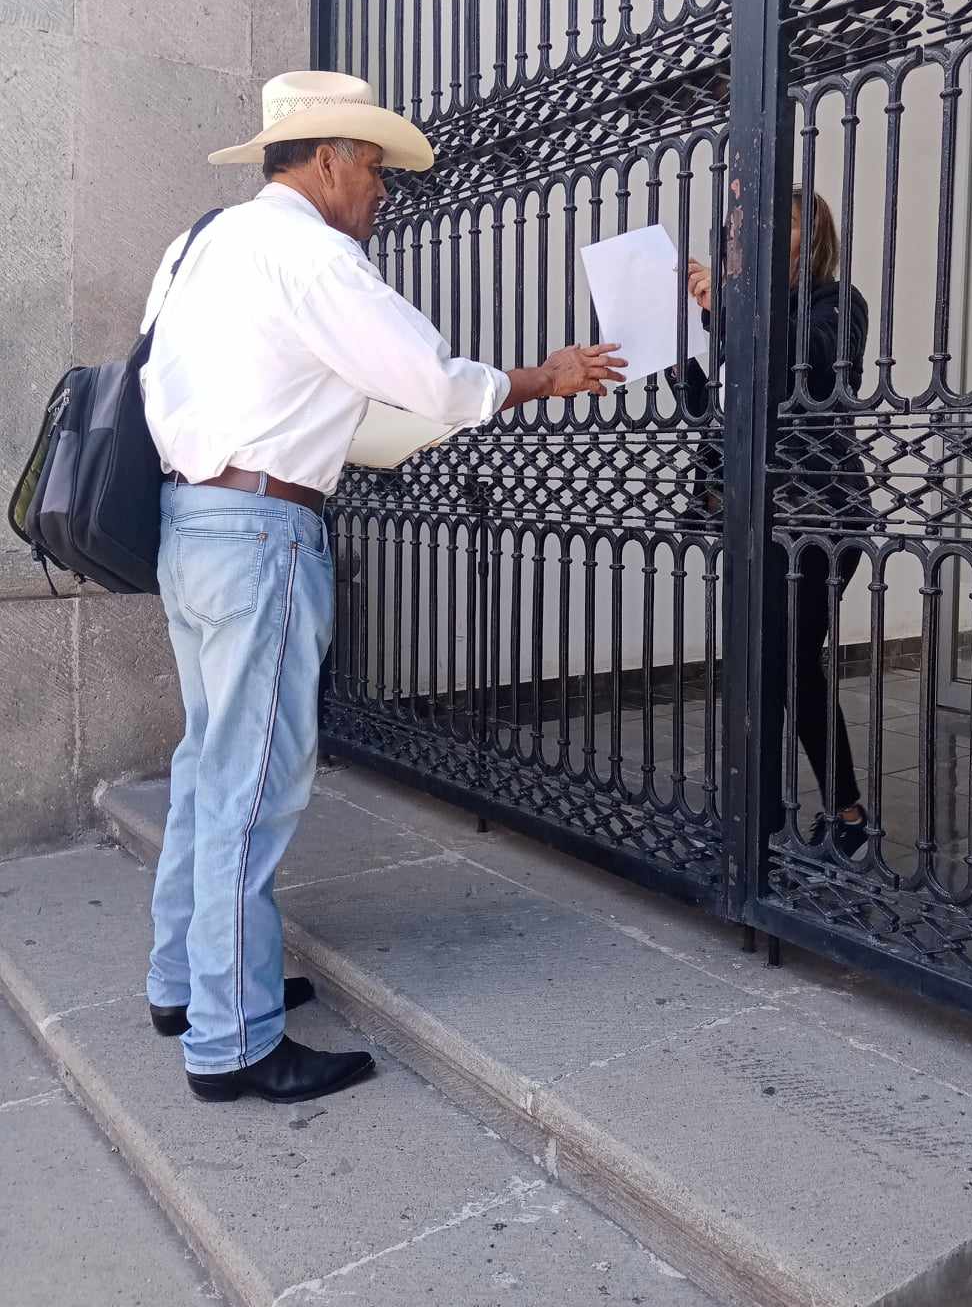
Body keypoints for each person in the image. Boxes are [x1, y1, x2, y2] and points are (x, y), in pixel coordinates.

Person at [141, 70, 625, 1105]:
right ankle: (231, 1042)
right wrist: (543, 377)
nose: (382, 191)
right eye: (374, 168)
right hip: (261, 535)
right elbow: (431, 379)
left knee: (207, 770)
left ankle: (188, 984)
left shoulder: (200, 245)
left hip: (193, 524)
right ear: (328, 159)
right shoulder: (312, 254)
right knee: (251, 790)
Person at [685, 189, 872, 859]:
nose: (748, 232)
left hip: (817, 516)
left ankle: (804, 819)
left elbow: (814, 370)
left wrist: (734, 307)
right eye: (739, 224)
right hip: (750, 514)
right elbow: (707, 410)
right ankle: (777, 821)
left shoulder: (837, 302)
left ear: (809, 236)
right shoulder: (733, 311)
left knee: (785, 662)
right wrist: (680, 340)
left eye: (772, 222)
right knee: (769, 665)